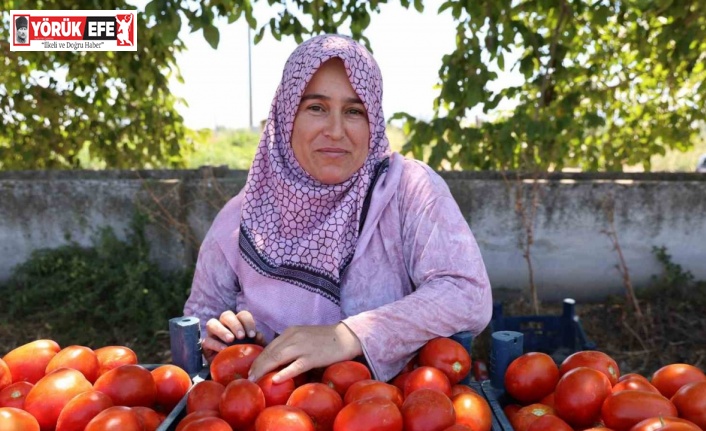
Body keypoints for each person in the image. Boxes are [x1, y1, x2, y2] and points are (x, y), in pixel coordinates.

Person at [184, 34, 493, 384]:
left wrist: (349, 335)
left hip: (391, 412)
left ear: (373, 121)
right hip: (275, 415)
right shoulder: (241, 219)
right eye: (316, 107)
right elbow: (199, 322)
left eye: (354, 111)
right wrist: (230, 342)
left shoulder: (408, 190)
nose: (335, 130)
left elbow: (467, 293)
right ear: (287, 116)